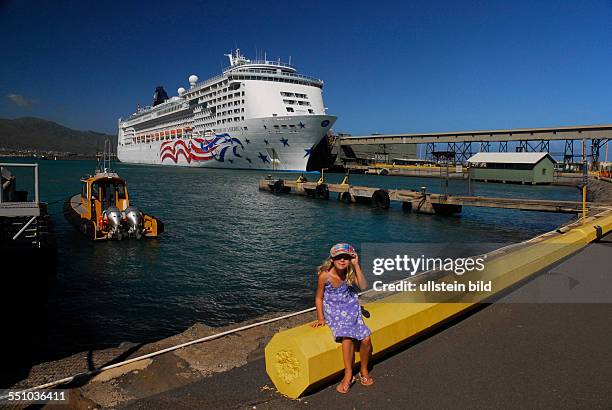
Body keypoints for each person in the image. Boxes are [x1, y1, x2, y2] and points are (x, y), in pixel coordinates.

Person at [311, 242, 374, 394]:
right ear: (332, 259)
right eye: (339, 257)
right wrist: (321, 318)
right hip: (334, 311)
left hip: (350, 307)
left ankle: (364, 370)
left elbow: (364, 286)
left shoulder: (349, 273)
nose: (342, 260)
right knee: (347, 337)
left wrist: (356, 265)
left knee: (366, 339)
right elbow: (319, 297)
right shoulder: (324, 275)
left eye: (346, 257)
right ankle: (348, 374)